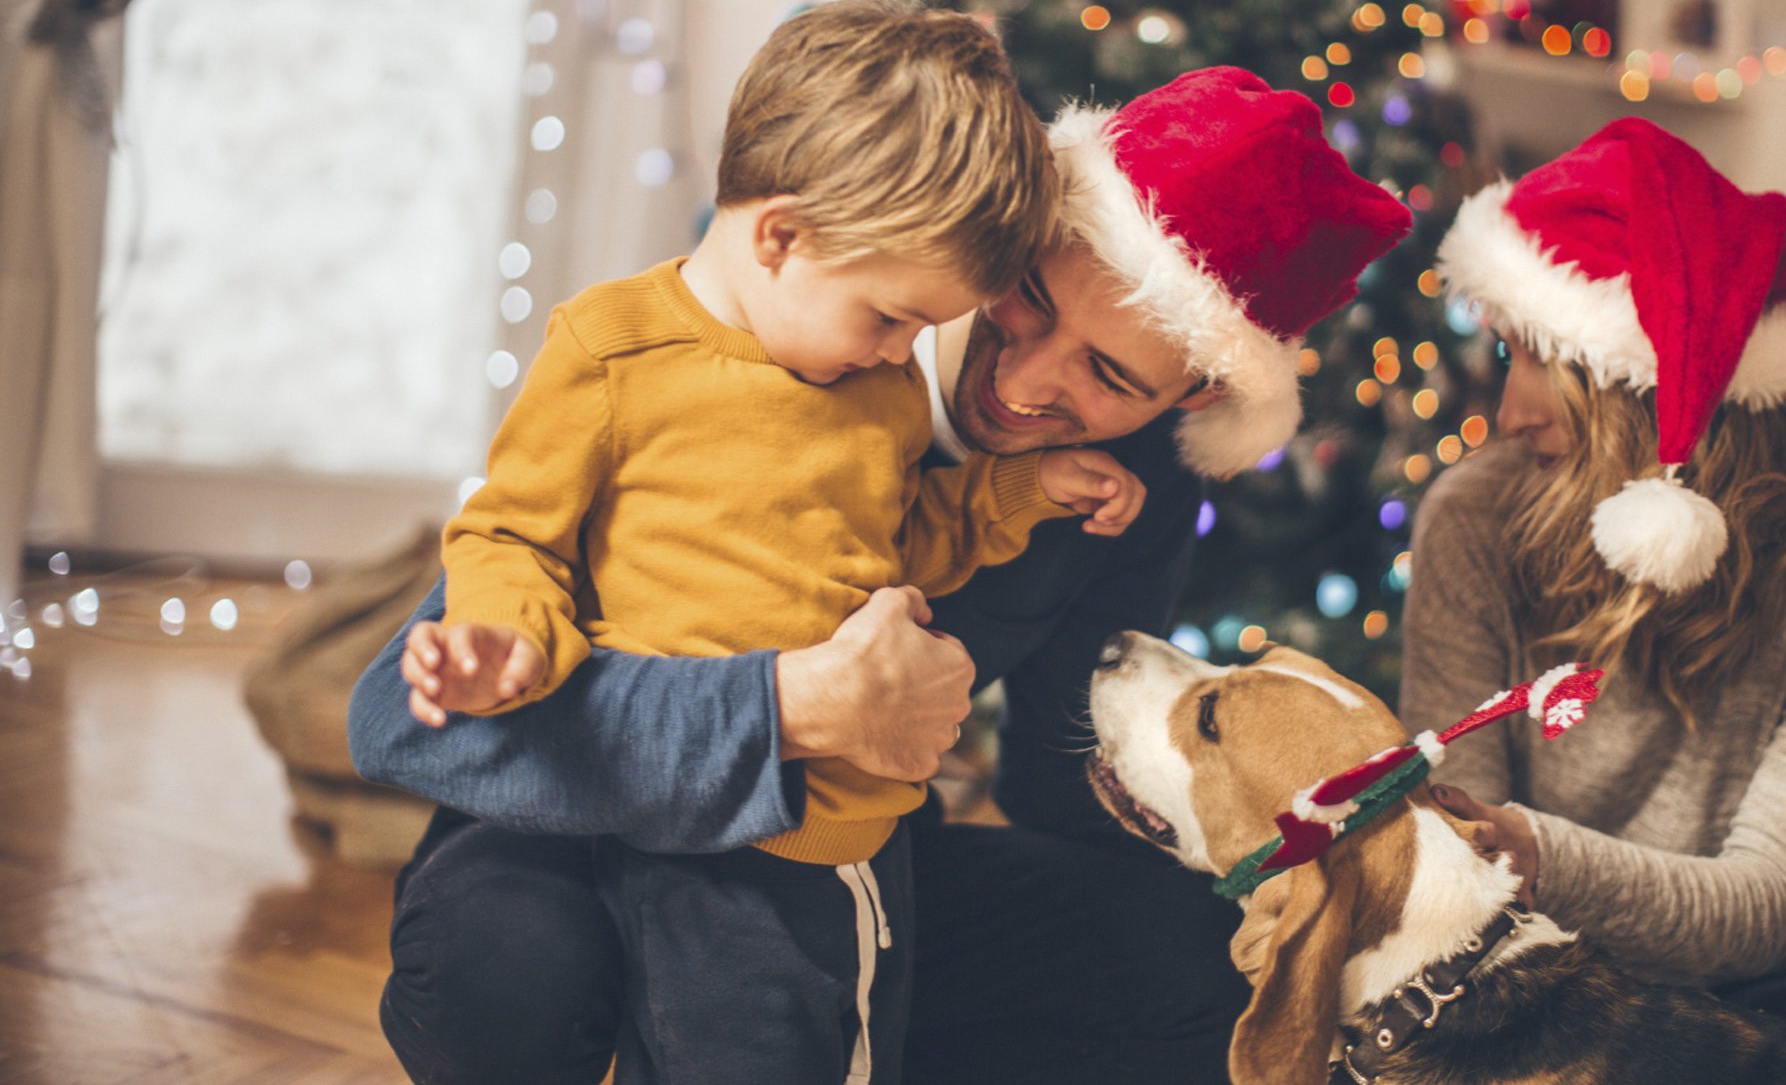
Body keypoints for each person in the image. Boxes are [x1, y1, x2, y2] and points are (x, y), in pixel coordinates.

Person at [348, 64, 1415, 1084]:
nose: (1030, 378)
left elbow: (1057, 777)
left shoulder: (1126, 491)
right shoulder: (757, 337)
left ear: (1188, 399)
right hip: (575, 828)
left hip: (818, 855)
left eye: (1110, 373)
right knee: (511, 964)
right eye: (1030, 296)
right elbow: (403, 720)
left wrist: (1310, 837)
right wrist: (788, 708)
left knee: (1199, 960)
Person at [385, 0, 1166, 1085]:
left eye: (915, 324)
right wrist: (498, 637)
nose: (904, 347)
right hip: (605, 815)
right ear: (781, 235)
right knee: (524, 962)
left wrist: (1021, 492)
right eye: (891, 314)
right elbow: (512, 531)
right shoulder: (612, 351)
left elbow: (909, 538)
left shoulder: (873, 385)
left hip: (799, 839)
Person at [1402, 117, 1786, 1022]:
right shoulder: (1473, 520)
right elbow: (1457, 847)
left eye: (1553, 362)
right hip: (1507, 957)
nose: (1508, 412)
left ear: (1659, 391)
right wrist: (1500, 860)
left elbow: (1766, 901)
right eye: (1507, 354)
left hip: (1722, 990)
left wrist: (1536, 854)